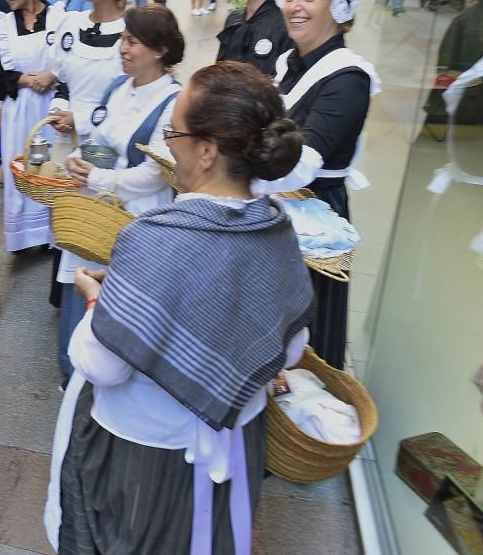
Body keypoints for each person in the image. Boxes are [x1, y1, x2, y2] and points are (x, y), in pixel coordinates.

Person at [45, 61, 314, 555]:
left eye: (175, 130)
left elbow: (102, 365)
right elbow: (292, 349)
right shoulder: (276, 228)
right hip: (236, 445)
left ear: (207, 151)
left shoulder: (156, 239)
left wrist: (96, 299)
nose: (169, 141)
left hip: (147, 457)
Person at [273, 0, 382, 368]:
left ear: (337, 7)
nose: (295, 7)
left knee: (305, 334)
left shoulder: (348, 78)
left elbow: (303, 161)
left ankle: (301, 426)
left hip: (316, 220)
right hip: (281, 206)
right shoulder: (289, 64)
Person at [46, 0, 137, 380]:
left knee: (104, 243)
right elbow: (58, 82)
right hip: (70, 152)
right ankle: (72, 355)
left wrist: (80, 121)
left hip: (110, 156)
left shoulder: (134, 32)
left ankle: (107, 348)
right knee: (70, 241)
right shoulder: (68, 24)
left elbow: (134, 97)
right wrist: (58, 115)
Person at [0, 0, 65, 251]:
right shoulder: (4, 25)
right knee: (23, 167)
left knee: (54, 166)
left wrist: (52, 74)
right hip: (19, 110)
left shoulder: (58, 17)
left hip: (51, 109)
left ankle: (54, 229)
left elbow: (68, 61)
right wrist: (28, 79)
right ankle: (27, 235)